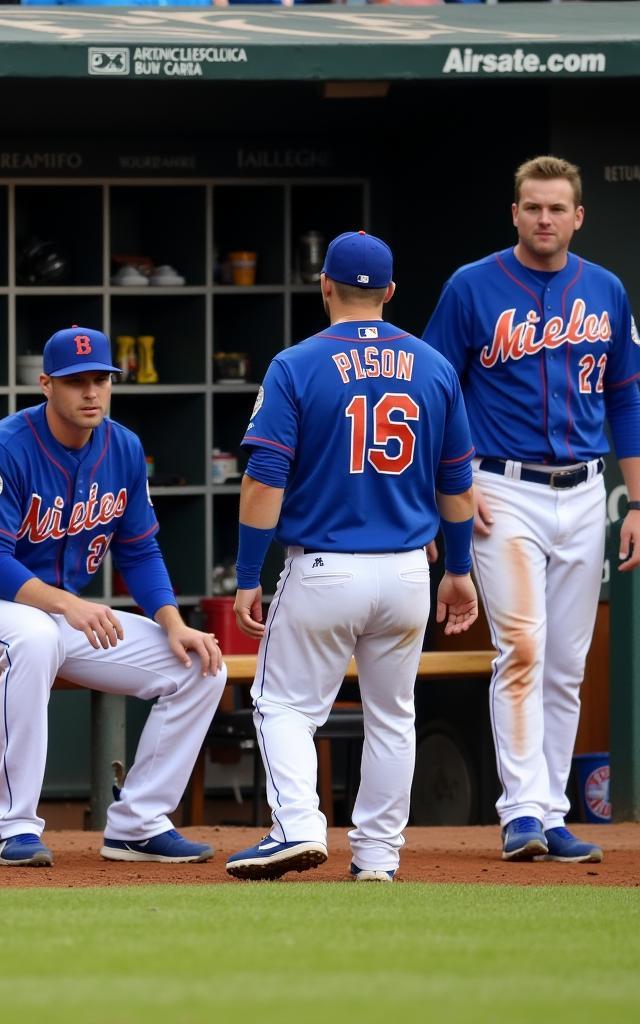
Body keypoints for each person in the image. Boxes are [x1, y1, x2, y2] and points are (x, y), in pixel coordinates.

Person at [225, 231, 479, 883]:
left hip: (324, 567)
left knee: (283, 705)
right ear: (390, 293)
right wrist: (457, 569)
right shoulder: (434, 367)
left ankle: (300, 827)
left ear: (325, 287)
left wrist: (249, 574)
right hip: (405, 573)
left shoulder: (296, 365)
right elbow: (457, 485)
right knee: (392, 717)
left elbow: (263, 482)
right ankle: (377, 859)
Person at [0, 326, 225, 867]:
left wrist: (172, 621)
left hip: (54, 613)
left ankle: (138, 823)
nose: (91, 393)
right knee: (36, 637)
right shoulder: (2, 447)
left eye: (101, 380)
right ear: (45, 384)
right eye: (75, 382)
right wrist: (68, 604)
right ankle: (14, 827)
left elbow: (139, 552)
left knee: (200, 665)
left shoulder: (124, 448)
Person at [423, 155, 640, 864]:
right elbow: (433, 393)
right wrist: (450, 485)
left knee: (567, 663)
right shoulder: (471, 286)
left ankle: (552, 809)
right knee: (522, 647)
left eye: (557, 208)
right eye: (532, 207)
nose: (544, 219)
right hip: (501, 489)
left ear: (578, 216)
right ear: (514, 213)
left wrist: (636, 499)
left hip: (583, 491)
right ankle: (521, 811)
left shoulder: (604, 290)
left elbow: (625, 398)